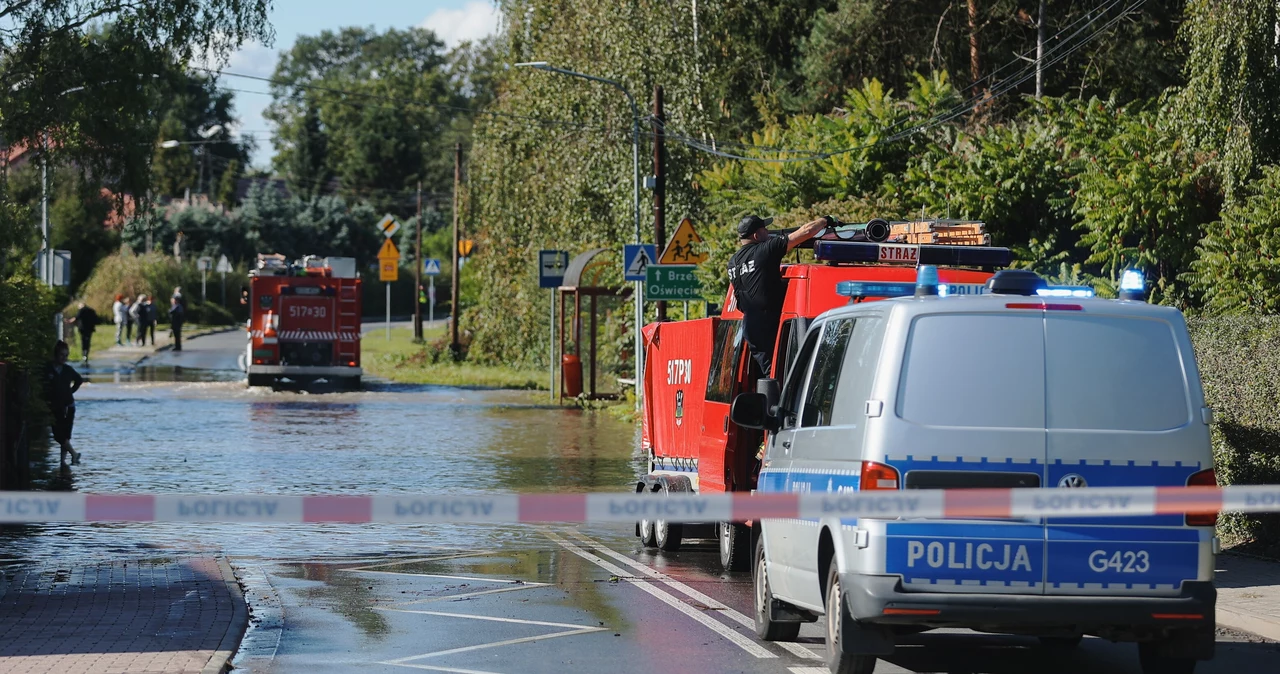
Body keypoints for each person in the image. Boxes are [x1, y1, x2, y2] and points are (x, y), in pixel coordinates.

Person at [728, 214, 829, 377]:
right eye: (764, 229)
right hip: (768, 323)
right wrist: (825, 220)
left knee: (771, 374)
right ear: (756, 235)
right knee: (782, 376)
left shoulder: (733, 261)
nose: (768, 232)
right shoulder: (765, 251)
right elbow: (806, 231)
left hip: (750, 325)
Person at [43, 341, 83, 465]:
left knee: (65, 434)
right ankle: (74, 454)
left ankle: (63, 462)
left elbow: (79, 380)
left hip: (68, 406)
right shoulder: (48, 368)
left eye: (66, 355)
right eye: (61, 355)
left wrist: (70, 391)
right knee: (57, 434)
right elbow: (42, 384)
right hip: (54, 405)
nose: (64, 358)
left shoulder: (68, 370)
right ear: (56, 355)